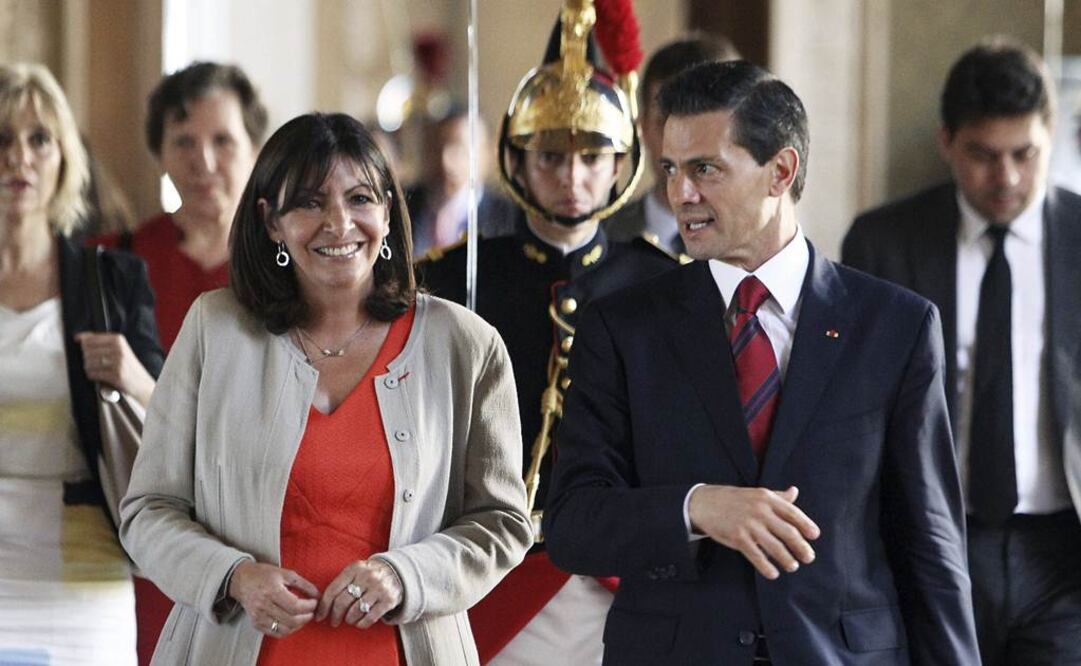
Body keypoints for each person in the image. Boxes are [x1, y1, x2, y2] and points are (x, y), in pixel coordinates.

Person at [544, 60, 982, 665]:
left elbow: (931, 547)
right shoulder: (621, 327)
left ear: (781, 170)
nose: (679, 195)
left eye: (705, 170)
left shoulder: (896, 327)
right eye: (670, 170)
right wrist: (696, 506)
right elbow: (572, 524)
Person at [119, 112, 531, 666]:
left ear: (388, 210)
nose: (338, 223)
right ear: (270, 221)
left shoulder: (465, 345)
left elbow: (504, 524)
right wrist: (234, 577)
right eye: (310, 202)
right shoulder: (213, 330)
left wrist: (405, 575)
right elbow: (148, 510)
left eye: (361, 198)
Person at [418, 4, 676, 664]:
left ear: (621, 163)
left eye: (592, 155)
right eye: (551, 155)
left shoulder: (663, 284)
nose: (571, 177)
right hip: (490, 569)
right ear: (516, 158)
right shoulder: (451, 278)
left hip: (616, 571)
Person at [844, 37, 1081, 665]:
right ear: (947, 140)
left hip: (1063, 549)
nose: (1005, 177)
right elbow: (855, 410)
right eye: (982, 155)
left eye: (1023, 154)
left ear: (1051, 134)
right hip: (934, 539)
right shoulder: (883, 244)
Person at [0, 63, 163, 665]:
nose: (20, 157)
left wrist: (131, 375)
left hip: (83, 572)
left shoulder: (111, 280)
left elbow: (175, 419)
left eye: (39, 139)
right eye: (3, 138)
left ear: (64, 157)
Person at [98, 61, 266, 352]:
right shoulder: (114, 260)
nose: (204, 162)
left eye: (222, 141)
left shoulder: (289, 262)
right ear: (159, 155)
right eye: (184, 142)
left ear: (254, 151)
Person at [604, 34, 740, 257]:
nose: (687, 147)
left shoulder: (763, 247)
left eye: (704, 126)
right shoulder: (602, 240)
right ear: (642, 127)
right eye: (666, 122)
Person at [406, 107, 517, 256]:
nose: (446, 161)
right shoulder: (402, 206)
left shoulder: (510, 219)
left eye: (461, 149)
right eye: (436, 148)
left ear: (487, 154)